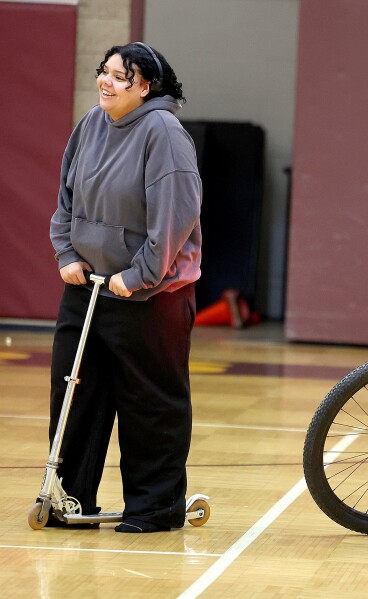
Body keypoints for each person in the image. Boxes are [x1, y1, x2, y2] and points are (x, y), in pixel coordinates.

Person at [48, 42, 202, 532]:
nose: (105, 82)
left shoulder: (165, 133)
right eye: (104, 72)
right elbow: (65, 197)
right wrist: (66, 254)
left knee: (149, 402)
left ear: (145, 87)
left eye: (120, 77)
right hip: (87, 285)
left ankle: (155, 508)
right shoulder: (91, 123)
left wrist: (138, 276)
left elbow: (174, 220)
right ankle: (70, 500)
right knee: (75, 393)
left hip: (150, 296)